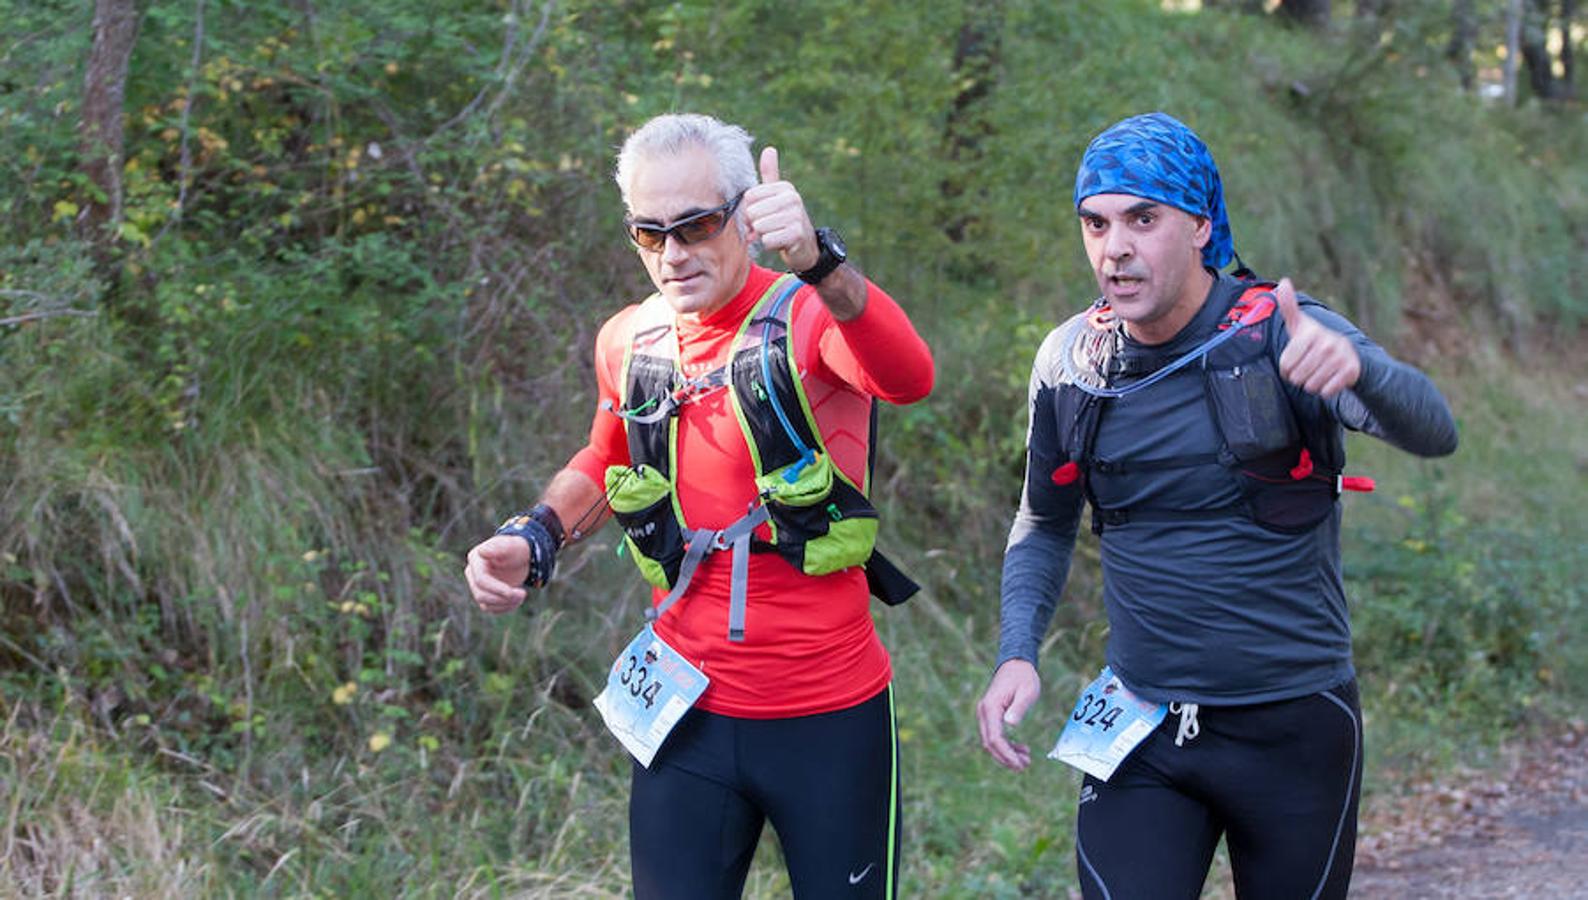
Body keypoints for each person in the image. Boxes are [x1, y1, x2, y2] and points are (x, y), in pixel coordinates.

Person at [974, 112, 1458, 899]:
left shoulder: (1284, 334)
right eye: (1094, 223)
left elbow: (1435, 431)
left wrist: (1361, 373)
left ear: (1201, 225)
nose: (1115, 248)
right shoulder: (1072, 361)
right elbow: (1045, 520)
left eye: (1143, 218)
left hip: (1293, 729)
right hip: (1141, 732)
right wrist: (1017, 650)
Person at [464, 113, 933, 900]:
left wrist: (824, 264)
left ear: (746, 217)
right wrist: (536, 536)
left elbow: (908, 376)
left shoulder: (808, 313)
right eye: (650, 234)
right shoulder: (630, 339)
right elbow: (609, 459)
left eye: (698, 225)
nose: (674, 255)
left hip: (826, 713)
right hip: (685, 715)